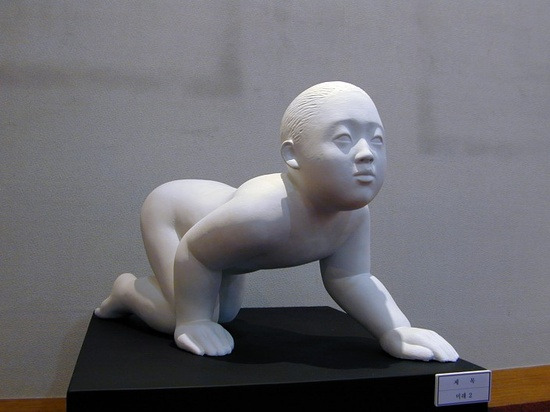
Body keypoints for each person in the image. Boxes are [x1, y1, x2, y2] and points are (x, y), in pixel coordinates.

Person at [95, 81, 459, 362]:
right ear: (292, 155)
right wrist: (193, 321)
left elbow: (350, 277)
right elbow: (195, 251)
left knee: (225, 314)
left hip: (221, 246)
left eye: (377, 140)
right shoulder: (262, 212)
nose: (367, 154)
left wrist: (394, 329)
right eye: (344, 139)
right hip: (173, 214)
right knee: (177, 319)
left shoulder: (352, 216)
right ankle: (127, 289)